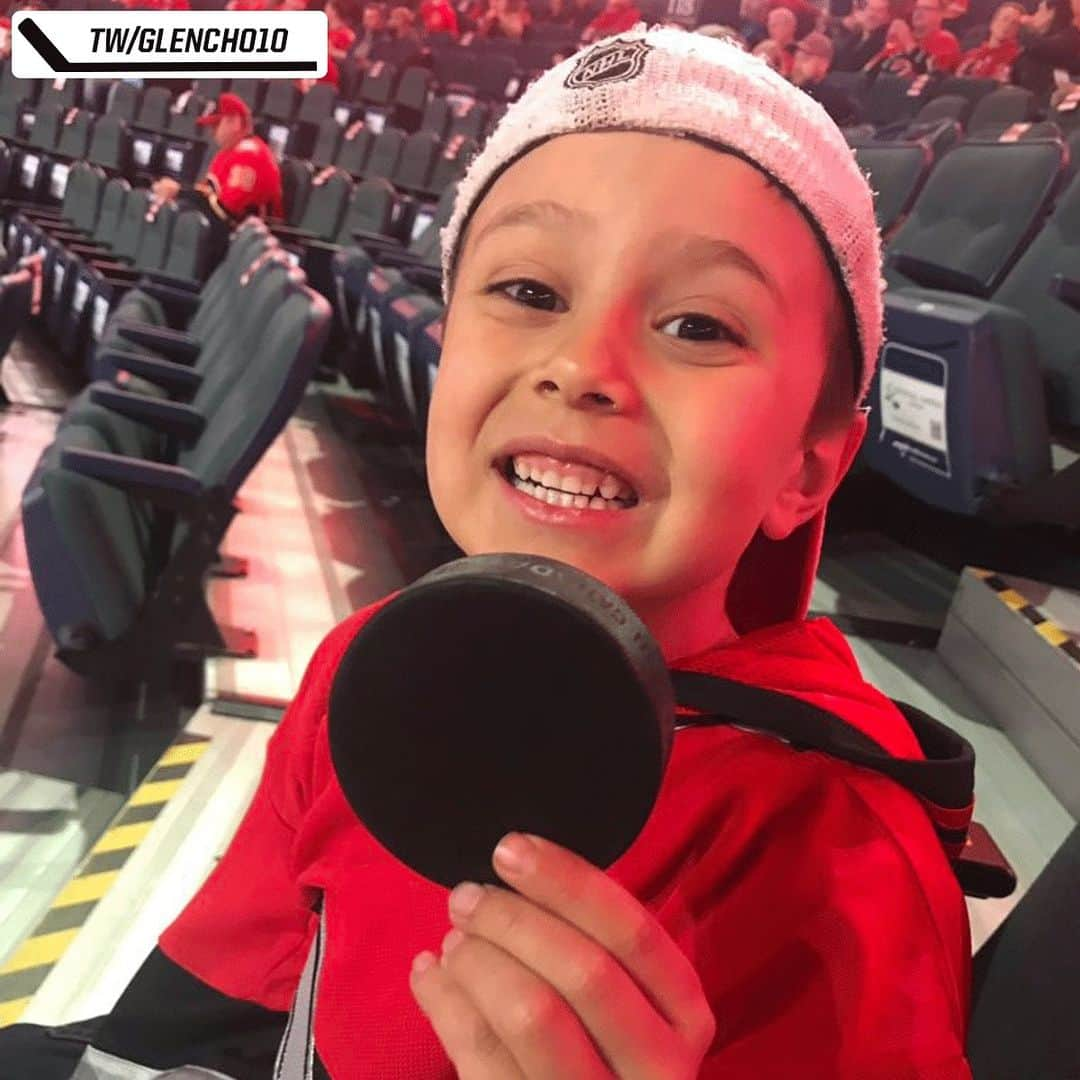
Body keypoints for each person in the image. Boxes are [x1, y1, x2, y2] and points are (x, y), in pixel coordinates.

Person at [4, 27, 974, 1079]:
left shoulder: (844, 855)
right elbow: (204, 1029)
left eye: (697, 324)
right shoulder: (366, 665)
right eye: (528, 293)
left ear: (811, 468)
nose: (580, 365)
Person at [151, 93, 283, 232]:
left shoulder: (250, 154)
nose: (211, 132)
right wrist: (175, 192)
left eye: (215, 125)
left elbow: (226, 213)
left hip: (247, 240)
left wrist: (179, 192)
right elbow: (206, 194)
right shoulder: (227, 152)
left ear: (235, 122)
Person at [866, 0, 961, 75]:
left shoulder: (944, 40)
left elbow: (931, 72)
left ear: (940, 14)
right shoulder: (899, 40)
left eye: (926, 8)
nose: (919, 12)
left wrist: (908, 41)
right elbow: (868, 70)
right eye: (917, 8)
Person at [1013, 0, 1080, 98]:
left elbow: (1040, 46)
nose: (1034, 16)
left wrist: (1024, 26)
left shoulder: (1071, 37)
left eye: (1039, 11)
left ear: (1051, 13)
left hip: (1049, 103)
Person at [792, 30, 860, 123]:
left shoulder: (834, 97)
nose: (797, 65)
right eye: (797, 58)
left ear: (823, 64)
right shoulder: (791, 87)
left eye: (805, 58)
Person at [955, 0, 1023, 80]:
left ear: (1018, 30)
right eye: (1005, 19)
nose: (1007, 25)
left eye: (1014, 23)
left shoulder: (1017, 61)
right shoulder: (972, 54)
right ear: (993, 22)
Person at [831, 0, 892, 70]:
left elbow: (852, 66)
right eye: (870, 9)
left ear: (888, 16)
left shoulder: (886, 39)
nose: (872, 14)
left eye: (879, 11)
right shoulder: (858, 33)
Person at [764, 4, 797, 72]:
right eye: (770, 26)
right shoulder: (768, 46)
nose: (770, 29)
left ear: (788, 26)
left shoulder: (795, 54)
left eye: (774, 25)